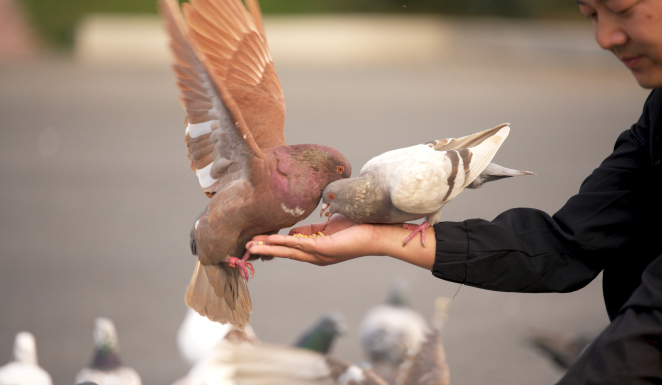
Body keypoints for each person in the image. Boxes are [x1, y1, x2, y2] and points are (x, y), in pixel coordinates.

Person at [247, 0, 662, 383]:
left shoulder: (402, 190)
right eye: (589, 14)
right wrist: (378, 237)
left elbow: (651, 330)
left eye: (621, 8)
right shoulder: (654, 118)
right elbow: (565, 246)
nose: (604, 37)